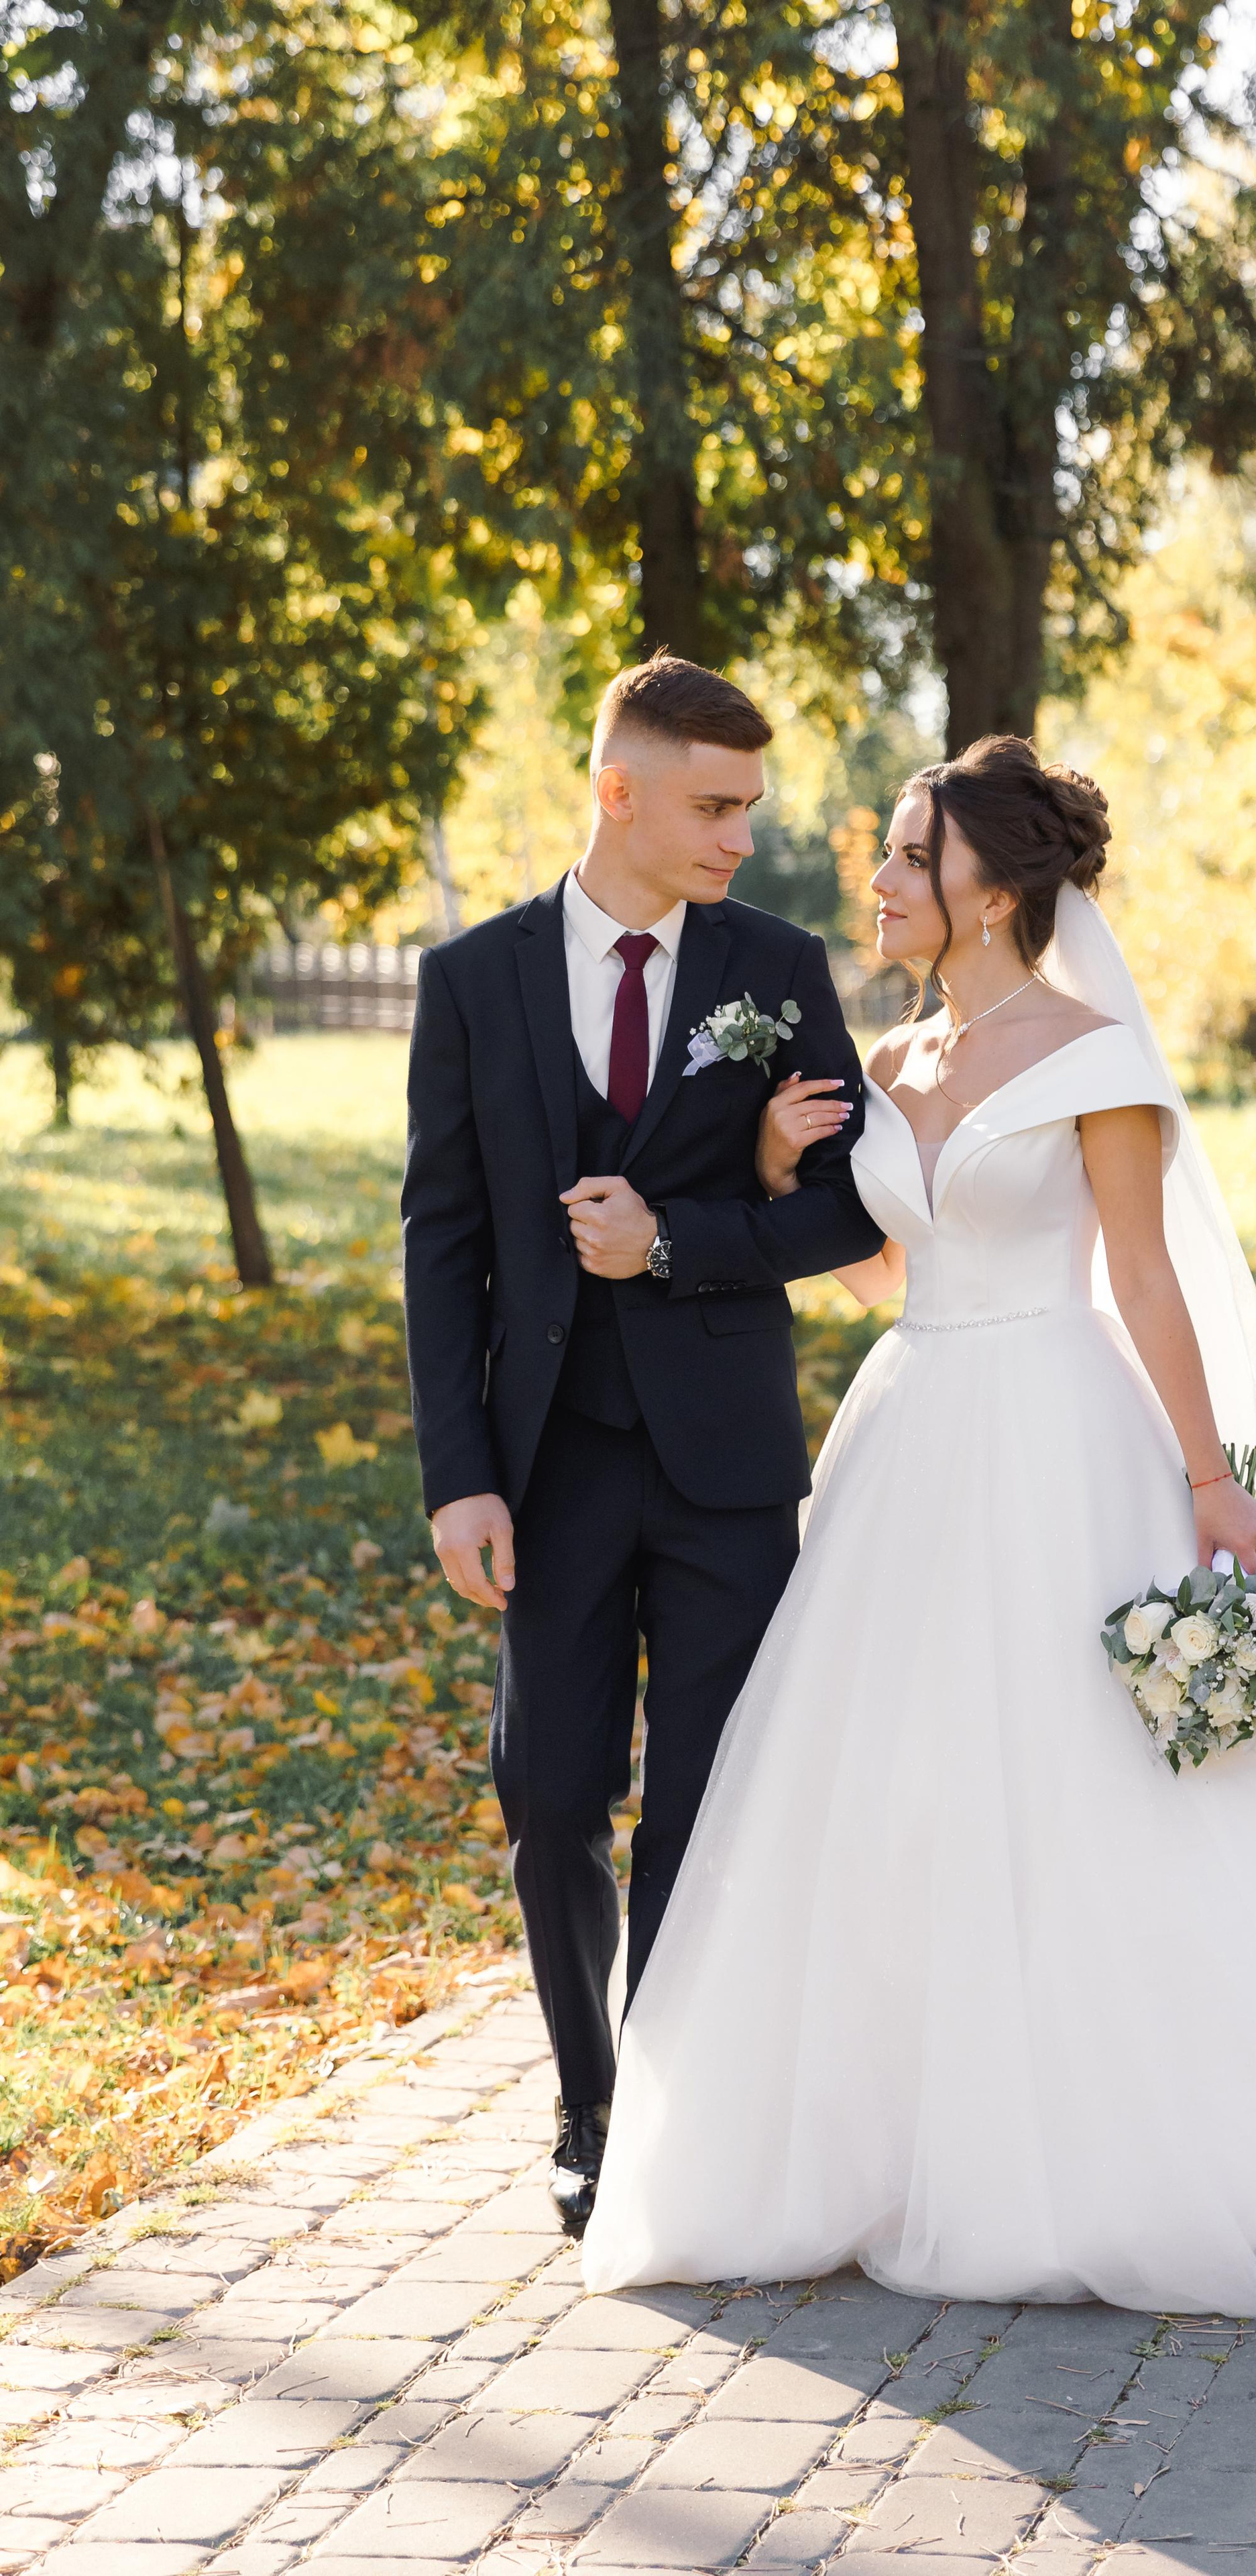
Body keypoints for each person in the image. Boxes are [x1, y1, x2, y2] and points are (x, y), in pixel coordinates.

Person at [579, 733, 1256, 2315]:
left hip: (1059, 1431)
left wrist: (1211, 1483)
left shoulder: (1093, 1059)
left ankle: (1135, 2138)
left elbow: (1143, 1281)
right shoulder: (892, 1065)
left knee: (1094, 1783)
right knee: (893, 1781)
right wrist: (786, 1166)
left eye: (911, 856)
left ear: (989, 890)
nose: (883, 879)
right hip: (910, 1434)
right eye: (890, 853)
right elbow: (888, 1279)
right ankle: (886, 2137)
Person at [400, 654, 884, 2235]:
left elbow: (839, 1206)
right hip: (543, 1464)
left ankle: (669, 2121)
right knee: (549, 1793)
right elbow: (441, 1239)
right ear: (619, 791)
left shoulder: (776, 961)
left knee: (704, 1796)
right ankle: (584, 2095)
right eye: (714, 805)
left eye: (750, 807)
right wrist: (456, 1472)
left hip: (725, 1459)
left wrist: (672, 1241)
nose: (742, 838)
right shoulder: (471, 980)